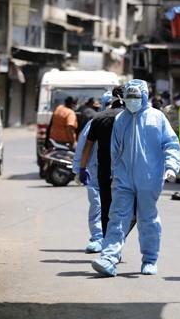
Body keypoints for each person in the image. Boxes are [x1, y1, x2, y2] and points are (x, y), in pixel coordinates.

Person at [91, 79, 180, 277]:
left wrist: (171, 166)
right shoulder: (121, 119)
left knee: (147, 220)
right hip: (124, 179)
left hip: (149, 178)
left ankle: (149, 259)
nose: (132, 101)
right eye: (129, 97)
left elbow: (171, 144)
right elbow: (114, 149)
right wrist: (115, 173)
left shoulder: (157, 118)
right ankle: (109, 258)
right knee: (117, 217)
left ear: (144, 97)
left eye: (136, 97)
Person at [79, 86, 126, 236]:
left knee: (106, 207)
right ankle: (117, 241)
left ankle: (108, 242)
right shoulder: (131, 118)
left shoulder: (99, 118)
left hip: (104, 170)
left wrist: (82, 168)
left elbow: (87, 145)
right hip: (126, 171)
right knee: (126, 208)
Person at [72, 92, 113, 253]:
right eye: (108, 103)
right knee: (97, 204)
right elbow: (84, 145)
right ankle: (98, 237)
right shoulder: (96, 122)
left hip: (118, 173)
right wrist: (79, 168)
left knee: (116, 207)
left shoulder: (125, 122)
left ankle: (112, 239)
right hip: (95, 171)